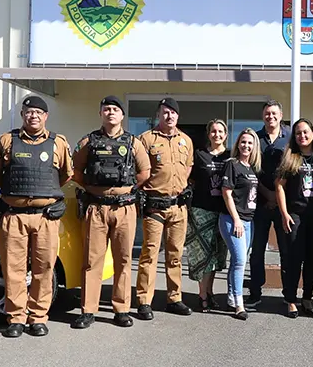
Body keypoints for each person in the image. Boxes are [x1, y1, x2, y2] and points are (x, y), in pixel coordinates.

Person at [0, 96, 72, 338]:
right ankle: (15, 318)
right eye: (28, 112)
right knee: (13, 269)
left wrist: (45, 196)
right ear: (23, 115)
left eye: (38, 112)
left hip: (46, 217)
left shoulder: (58, 143)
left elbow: (65, 175)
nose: (33, 116)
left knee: (44, 268)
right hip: (14, 216)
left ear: (45, 116)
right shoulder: (7, 141)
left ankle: (37, 317)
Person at [70, 95, 148, 330]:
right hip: (96, 207)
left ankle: (121, 309)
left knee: (123, 260)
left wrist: (127, 189)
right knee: (92, 260)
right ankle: (88, 310)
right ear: (101, 114)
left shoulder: (133, 142)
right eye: (106, 109)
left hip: (124, 208)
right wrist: (93, 188)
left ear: (122, 115)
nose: (110, 113)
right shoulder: (89, 142)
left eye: (115, 109)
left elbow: (145, 172)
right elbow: (75, 170)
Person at [134, 97, 194, 319]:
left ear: (178, 116)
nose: (169, 116)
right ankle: (144, 300)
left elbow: (188, 167)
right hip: (155, 207)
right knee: (149, 254)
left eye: (173, 113)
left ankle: (174, 298)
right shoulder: (146, 139)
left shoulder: (186, 140)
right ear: (159, 115)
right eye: (165, 112)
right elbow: (139, 170)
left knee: (175, 254)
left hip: (178, 207)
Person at [275, 118, 313, 317]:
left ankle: (307, 297)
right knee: (294, 258)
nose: (302, 136)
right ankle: (291, 299)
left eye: (305, 132)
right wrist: (284, 213)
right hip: (295, 214)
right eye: (298, 133)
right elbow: (279, 186)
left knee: (312, 258)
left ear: (312, 134)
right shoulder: (291, 157)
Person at [246, 100, 290, 308]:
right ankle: (255, 292)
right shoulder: (255, 138)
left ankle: (288, 294)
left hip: (284, 205)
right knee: (257, 251)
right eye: (266, 113)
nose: (270, 117)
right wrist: (268, 194)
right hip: (260, 203)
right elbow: (251, 170)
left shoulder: (290, 137)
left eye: (274, 113)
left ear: (281, 115)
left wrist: (278, 197)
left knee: (286, 251)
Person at [185, 119, 230, 312]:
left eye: (220, 131)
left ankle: (209, 292)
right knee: (201, 254)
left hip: (223, 211)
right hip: (201, 210)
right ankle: (202, 294)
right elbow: (190, 178)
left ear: (226, 135)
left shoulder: (230, 157)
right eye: (213, 131)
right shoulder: (200, 155)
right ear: (208, 133)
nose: (217, 134)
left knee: (216, 255)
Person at [219, 128, 262, 320]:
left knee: (238, 261)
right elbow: (226, 193)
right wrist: (236, 219)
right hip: (232, 220)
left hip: (248, 220)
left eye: (250, 143)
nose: (246, 146)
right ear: (238, 144)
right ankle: (239, 304)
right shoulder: (232, 165)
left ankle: (230, 297)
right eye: (243, 142)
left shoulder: (251, 168)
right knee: (240, 262)